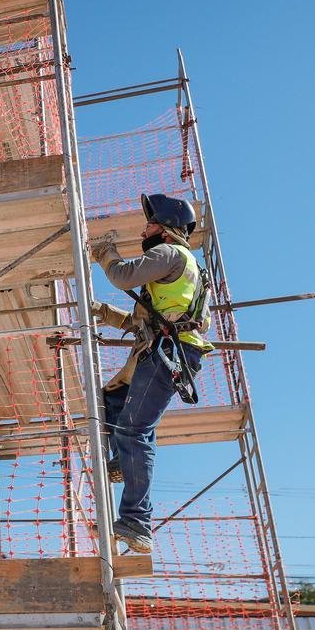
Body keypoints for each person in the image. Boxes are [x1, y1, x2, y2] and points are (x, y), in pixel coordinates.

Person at [88, 193, 213, 555]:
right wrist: (108, 314)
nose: (145, 229)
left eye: (149, 223)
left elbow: (123, 275)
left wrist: (104, 253)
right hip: (166, 349)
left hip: (169, 352)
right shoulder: (183, 265)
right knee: (112, 399)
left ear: (165, 227)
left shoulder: (169, 253)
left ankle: (136, 522)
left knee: (134, 429)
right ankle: (123, 461)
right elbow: (149, 319)